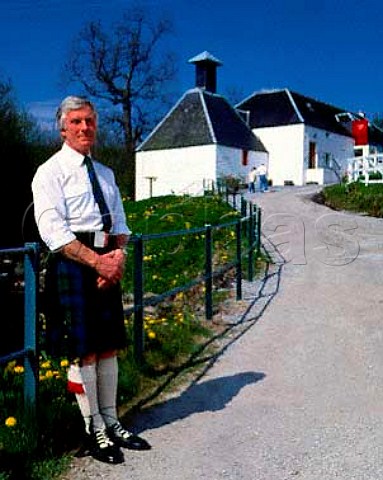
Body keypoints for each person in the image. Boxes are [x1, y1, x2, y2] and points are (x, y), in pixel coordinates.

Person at [31, 96, 150, 464]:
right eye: (77, 122)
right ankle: (93, 428)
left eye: (90, 121)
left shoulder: (106, 174)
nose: (85, 128)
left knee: (109, 345)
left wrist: (117, 258)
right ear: (63, 127)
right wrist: (97, 263)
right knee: (83, 350)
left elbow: (121, 226)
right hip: (74, 262)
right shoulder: (49, 172)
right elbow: (52, 230)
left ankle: (113, 421)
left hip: (104, 261)